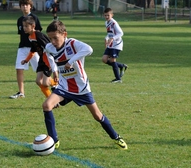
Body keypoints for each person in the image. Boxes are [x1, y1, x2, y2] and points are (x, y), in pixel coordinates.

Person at [42, 20, 128, 150]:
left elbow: (89, 49)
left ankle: (116, 137)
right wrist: (54, 69)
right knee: (46, 105)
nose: (53, 41)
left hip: (81, 88)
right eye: (50, 38)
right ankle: (54, 140)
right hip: (64, 86)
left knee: (97, 116)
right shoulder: (50, 47)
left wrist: (71, 61)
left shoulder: (72, 44)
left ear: (64, 34)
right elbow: (47, 53)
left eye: (55, 38)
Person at [9, 0, 41, 99]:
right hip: (22, 48)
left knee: (41, 71)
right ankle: (21, 92)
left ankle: (54, 85)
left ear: (30, 6)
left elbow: (38, 33)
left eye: (26, 5)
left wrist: (38, 47)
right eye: (22, 5)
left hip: (33, 49)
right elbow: (21, 34)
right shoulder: (19, 20)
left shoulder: (34, 18)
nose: (24, 7)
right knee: (19, 69)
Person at [20, 16, 58, 100]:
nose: (24, 28)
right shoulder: (30, 37)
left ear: (33, 26)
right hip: (41, 60)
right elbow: (33, 50)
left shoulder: (38, 35)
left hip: (48, 60)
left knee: (45, 83)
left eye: (26, 26)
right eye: (23, 26)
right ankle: (51, 100)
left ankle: (57, 84)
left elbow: (49, 47)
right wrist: (26, 60)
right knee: (38, 81)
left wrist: (53, 63)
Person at [102, 8, 128, 83]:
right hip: (111, 44)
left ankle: (118, 79)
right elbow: (109, 33)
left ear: (112, 15)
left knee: (112, 60)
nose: (106, 17)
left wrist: (113, 38)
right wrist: (106, 38)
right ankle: (121, 66)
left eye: (108, 15)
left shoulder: (114, 23)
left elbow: (121, 33)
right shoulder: (106, 23)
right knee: (104, 59)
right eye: (105, 15)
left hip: (117, 44)